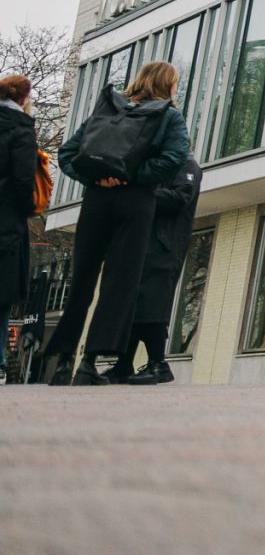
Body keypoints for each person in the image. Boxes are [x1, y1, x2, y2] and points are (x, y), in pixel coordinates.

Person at [40, 59, 190, 385]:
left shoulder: (110, 107)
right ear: (168, 84)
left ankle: (63, 362)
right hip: (135, 202)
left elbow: (68, 153)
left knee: (82, 279)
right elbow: (176, 156)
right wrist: (132, 178)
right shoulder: (168, 115)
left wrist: (97, 178)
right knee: (119, 283)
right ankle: (89, 363)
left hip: (96, 199)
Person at [109, 151, 201, 385]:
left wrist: (142, 193)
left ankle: (158, 363)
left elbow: (180, 197)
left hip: (165, 246)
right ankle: (123, 363)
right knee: (133, 302)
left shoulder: (186, 165)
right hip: (145, 243)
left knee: (153, 303)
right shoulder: (156, 166)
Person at [0, 75, 40, 365]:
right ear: (24, 98)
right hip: (6, 220)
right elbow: (24, 180)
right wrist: (28, 207)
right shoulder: (22, 130)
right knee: (1, 294)